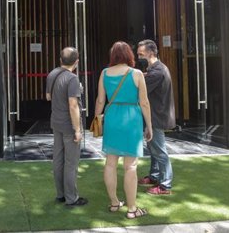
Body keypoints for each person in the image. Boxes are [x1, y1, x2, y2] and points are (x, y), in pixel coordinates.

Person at [93, 41, 153, 219]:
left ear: (113, 55)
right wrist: (149, 126)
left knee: (110, 163)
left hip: (112, 118)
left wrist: (97, 119)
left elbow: (100, 101)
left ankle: (114, 202)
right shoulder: (136, 74)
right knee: (131, 166)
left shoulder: (104, 73)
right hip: (131, 120)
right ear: (129, 55)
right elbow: (144, 102)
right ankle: (132, 208)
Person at [45, 47, 88, 207]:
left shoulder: (52, 74)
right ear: (76, 62)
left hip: (55, 122)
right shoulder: (72, 79)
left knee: (58, 160)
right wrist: (77, 130)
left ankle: (60, 194)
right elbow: (73, 105)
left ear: (60, 59)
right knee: (71, 163)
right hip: (69, 125)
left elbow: (48, 97)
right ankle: (72, 198)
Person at [136, 39, 175, 195]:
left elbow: (140, 86)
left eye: (141, 53)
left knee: (159, 150)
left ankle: (165, 185)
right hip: (154, 115)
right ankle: (154, 176)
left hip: (157, 116)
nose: (138, 56)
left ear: (150, 53)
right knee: (153, 148)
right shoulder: (156, 68)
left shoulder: (157, 71)